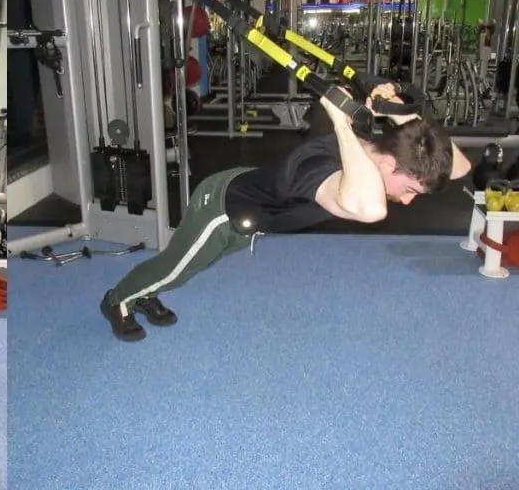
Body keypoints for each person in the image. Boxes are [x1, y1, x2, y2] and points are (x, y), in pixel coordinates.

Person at [100, 84, 474, 342]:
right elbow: (370, 208)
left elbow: (460, 167)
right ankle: (118, 299)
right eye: (409, 190)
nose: (407, 201)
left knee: (184, 267)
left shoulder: (375, 150)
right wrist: (340, 121)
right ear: (391, 165)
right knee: (177, 268)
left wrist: (403, 118)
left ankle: (145, 292)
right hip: (221, 208)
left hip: (249, 217)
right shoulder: (322, 167)